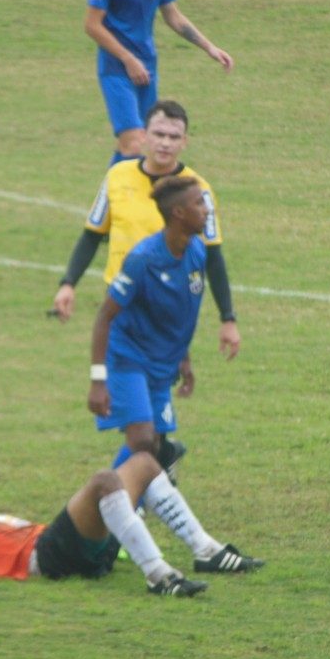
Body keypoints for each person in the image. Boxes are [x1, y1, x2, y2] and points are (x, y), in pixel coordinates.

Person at [53, 101, 239, 475]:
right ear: (144, 135)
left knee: (149, 424)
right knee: (142, 431)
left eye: (174, 136)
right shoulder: (118, 177)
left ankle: (152, 467)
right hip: (123, 311)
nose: (165, 143)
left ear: (185, 141)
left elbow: (213, 258)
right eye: (158, 134)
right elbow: (92, 234)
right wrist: (68, 283)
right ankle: (150, 469)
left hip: (167, 316)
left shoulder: (198, 191)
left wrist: (227, 317)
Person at [0, 452, 264, 597]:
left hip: (61, 547)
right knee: (104, 483)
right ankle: (159, 575)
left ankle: (207, 552)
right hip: (44, 555)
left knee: (147, 463)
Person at [86, 175, 224, 477]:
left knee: (156, 447)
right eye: (199, 203)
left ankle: (115, 508)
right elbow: (103, 318)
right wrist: (98, 380)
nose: (207, 209)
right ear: (178, 213)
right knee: (143, 441)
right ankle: (107, 512)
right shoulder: (143, 260)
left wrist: (184, 359)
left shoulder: (197, 251)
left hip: (163, 363)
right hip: (128, 358)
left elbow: (183, 311)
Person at [87, 0, 234, 166]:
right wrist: (128, 59)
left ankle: (110, 200)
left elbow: (173, 16)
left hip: (147, 68)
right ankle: (114, 202)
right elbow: (92, 25)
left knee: (140, 144)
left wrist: (210, 47)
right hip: (117, 69)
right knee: (134, 142)